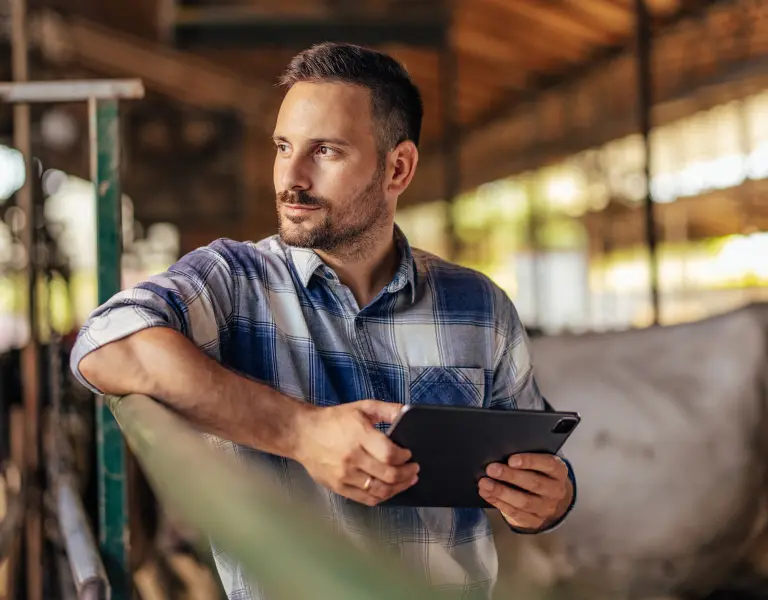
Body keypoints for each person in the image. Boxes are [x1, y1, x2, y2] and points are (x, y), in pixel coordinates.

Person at [70, 42, 576, 599]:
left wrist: (549, 500)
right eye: (283, 147)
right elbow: (105, 344)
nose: (291, 177)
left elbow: (534, 454)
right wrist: (300, 433)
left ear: (398, 168)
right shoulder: (234, 281)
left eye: (325, 151)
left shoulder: (480, 306)